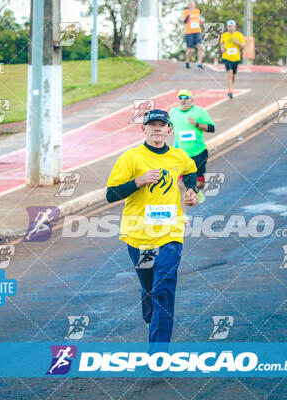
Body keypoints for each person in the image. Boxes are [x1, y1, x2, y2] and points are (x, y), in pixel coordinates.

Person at [106, 109, 199, 347]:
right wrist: (138, 181)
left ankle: (158, 351)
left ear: (169, 129)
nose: (157, 128)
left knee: (164, 287)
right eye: (152, 125)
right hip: (139, 236)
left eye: (162, 125)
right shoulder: (131, 158)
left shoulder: (178, 156)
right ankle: (150, 309)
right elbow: (110, 194)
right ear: (144, 129)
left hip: (170, 233)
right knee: (149, 287)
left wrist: (191, 190)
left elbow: (190, 171)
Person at [169, 89, 215, 203]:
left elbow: (211, 128)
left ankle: (197, 191)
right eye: (180, 98)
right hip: (181, 154)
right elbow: (168, 127)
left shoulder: (200, 112)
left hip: (198, 152)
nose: (183, 101)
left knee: (199, 183)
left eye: (186, 98)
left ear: (192, 100)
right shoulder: (173, 112)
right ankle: (184, 206)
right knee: (180, 183)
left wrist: (197, 124)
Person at [220, 19, 245, 99]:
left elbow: (243, 46)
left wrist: (238, 43)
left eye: (232, 26)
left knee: (233, 76)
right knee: (230, 73)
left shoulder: (239, 35)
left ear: (235, 27)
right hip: (227, 58)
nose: (231, 28)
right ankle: (229, 91)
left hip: (236, 58)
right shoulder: (224, 35)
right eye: (229, 26)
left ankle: (230, 88)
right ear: (227, 27)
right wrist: (222, 48)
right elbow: (222, 44)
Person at [180, 1, 205, 70]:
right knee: (190, 50)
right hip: (189, 32)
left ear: (195, 5)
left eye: (193, 4)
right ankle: (187, 61)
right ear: (188, 5)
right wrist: (189, 14)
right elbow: (184, 21)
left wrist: (202, 21)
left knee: (200, 47)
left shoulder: (197, 11)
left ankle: (199, 62)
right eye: (190, 4)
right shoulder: (186, 12)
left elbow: (199, 20)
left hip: (197, 31)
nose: (191, 5)